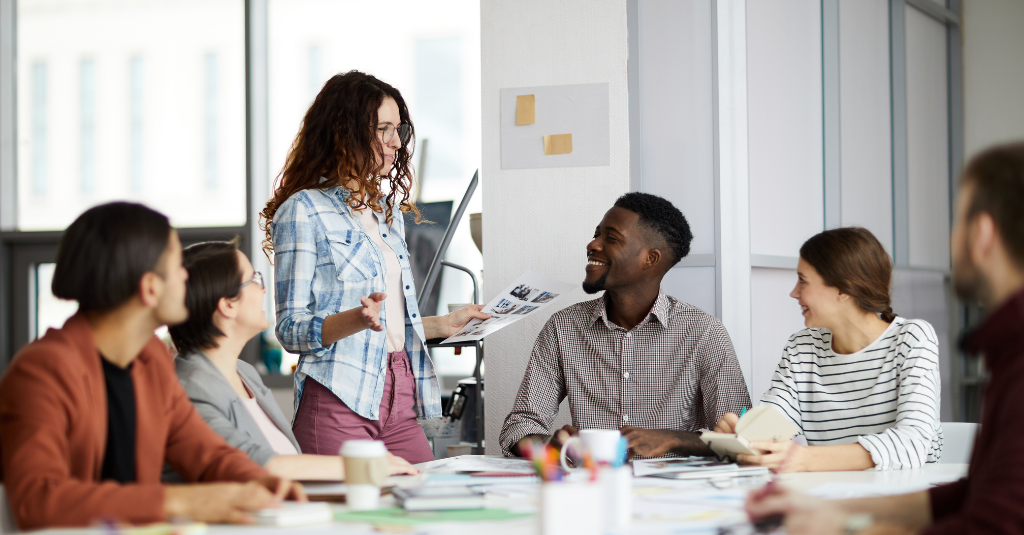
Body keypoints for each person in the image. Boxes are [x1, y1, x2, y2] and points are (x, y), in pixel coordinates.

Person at [745, 142, 1024, 534]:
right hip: (840, 493)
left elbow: (992, 522)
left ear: (982, 234)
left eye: (957, 219)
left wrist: (846, 527)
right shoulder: (1007, 349)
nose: (793, 292)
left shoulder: (935, 343)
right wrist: (842, 513)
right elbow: (976, 495)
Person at [0, 203, 304, 531]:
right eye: (177, 267)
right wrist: (179, 501)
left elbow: (204, 450)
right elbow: (38, 500)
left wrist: (261, 481)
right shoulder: (41, 371)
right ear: (149, 288)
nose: (187, 277)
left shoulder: (151, 361)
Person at [260, 71, 488, 463]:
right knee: (349, 521)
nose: (396, 143)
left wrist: (442, 325)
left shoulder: (387, 214)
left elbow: (389, 321)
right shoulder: (303, 211)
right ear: (344, 132)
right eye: (384, 129)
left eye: (398, 130)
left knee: (421, 509)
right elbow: (290, 330)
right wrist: (355, 319)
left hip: (400, 396)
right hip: (338, 397)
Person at [499, 192, 752, 458]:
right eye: (596, 234)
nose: (593, 244)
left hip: (675, 494)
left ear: (650, 258)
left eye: (611, 238)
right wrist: (549, 444)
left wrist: (674, 440)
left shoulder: (704, 333)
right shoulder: (563, 327)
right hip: (591, 486)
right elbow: (520, 427)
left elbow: (740, 438)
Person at [168, 240, 418, 480]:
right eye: (254, 280)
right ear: (227, 305)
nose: (263, 288)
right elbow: (249, 463)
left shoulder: (243, 373)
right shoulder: (189, 389)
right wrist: (362, 467)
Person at [714, 227, 942, 472]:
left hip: (904, 500)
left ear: (843, 289)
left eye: (803, 280)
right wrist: (745, 437)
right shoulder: (801, 348)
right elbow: (774, 424)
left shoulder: (912, 338)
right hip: (827, 499)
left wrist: (805, 459)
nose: (793, 293)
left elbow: (912, 442)